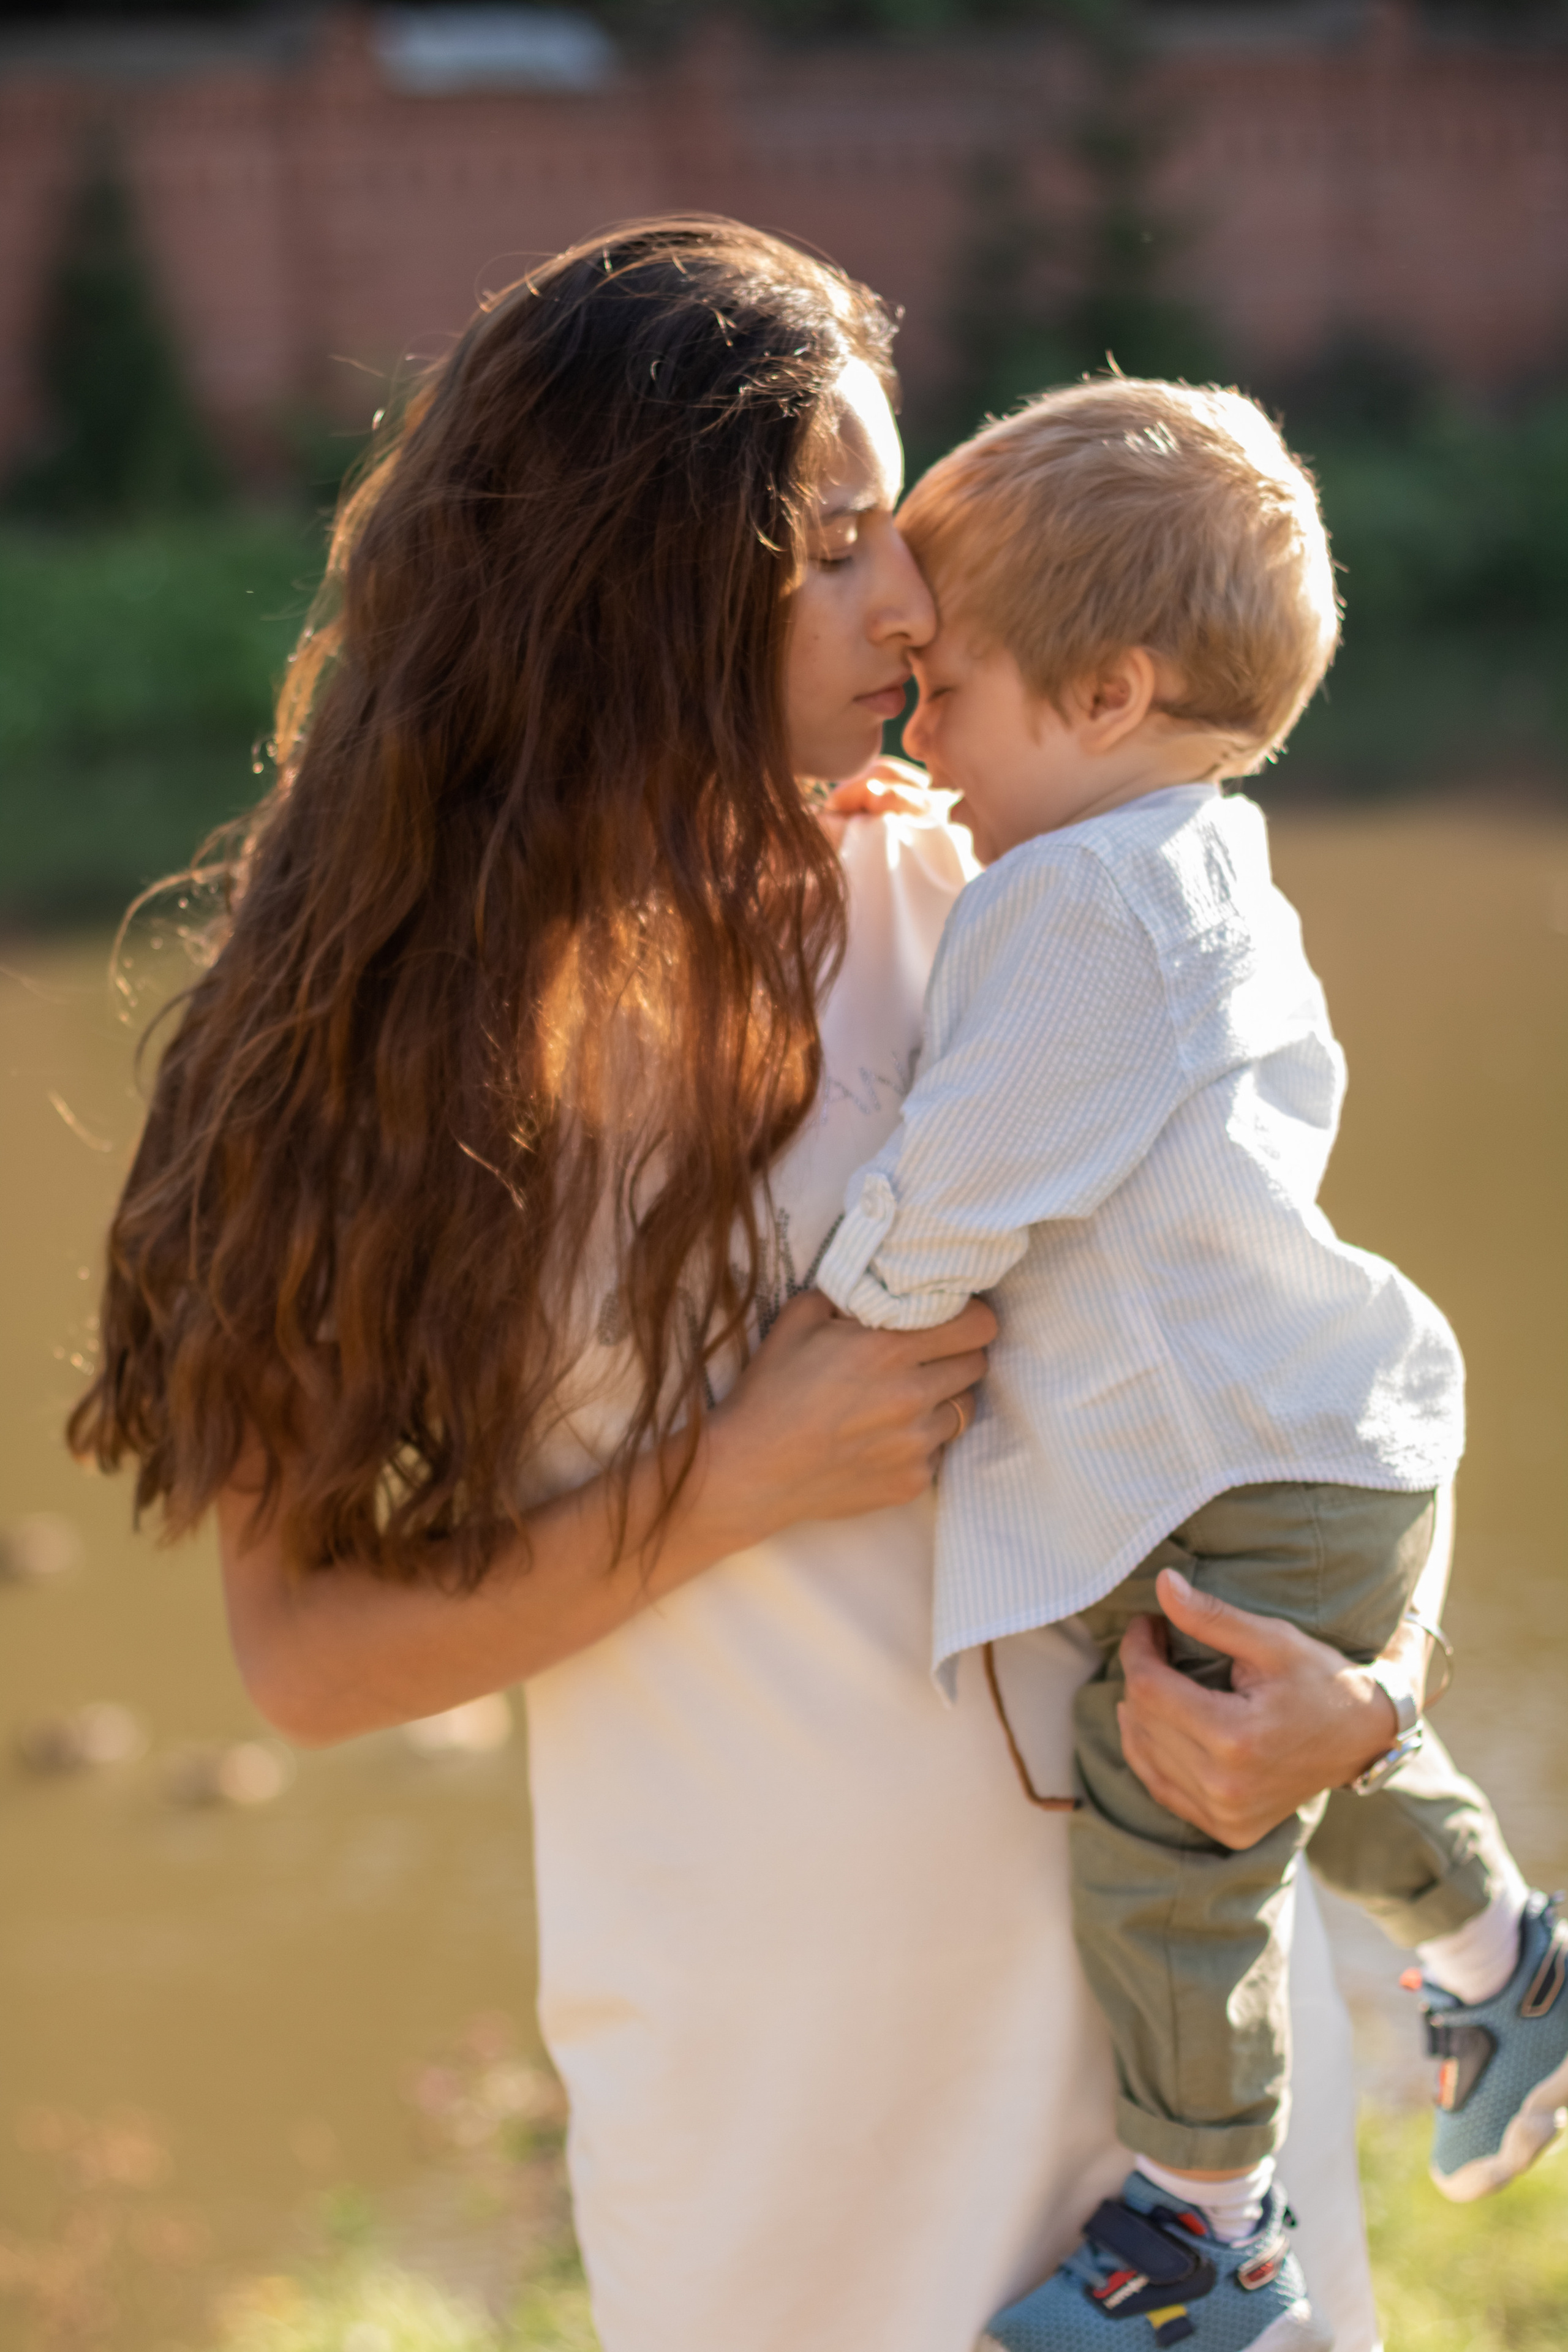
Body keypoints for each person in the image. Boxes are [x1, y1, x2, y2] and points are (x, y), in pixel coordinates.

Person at [68, 221, 1426, 2352]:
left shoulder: (1013, 894)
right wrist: (727, 1481)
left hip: (1174, 2111)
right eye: (831, 550)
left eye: (895, 535)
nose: (914, 604)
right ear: (622, 580)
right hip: (784, 2127)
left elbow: (1313, 1367)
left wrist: (1366, 1702)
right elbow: (308, 1661)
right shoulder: (367, 1054)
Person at [814, 380, 1567, 2351]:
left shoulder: (1081, 907)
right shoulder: (1176, 853)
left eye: (948, 694)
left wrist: (844, 1302)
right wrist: (944, 831)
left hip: (1240, 1467)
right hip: (1302, 1448)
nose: (917, 733)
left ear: (1106, 692)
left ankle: (1209, 2239)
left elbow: (972, 1172)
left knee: (1170, 1829)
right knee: (1282, 1763)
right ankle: (1507, 1960)